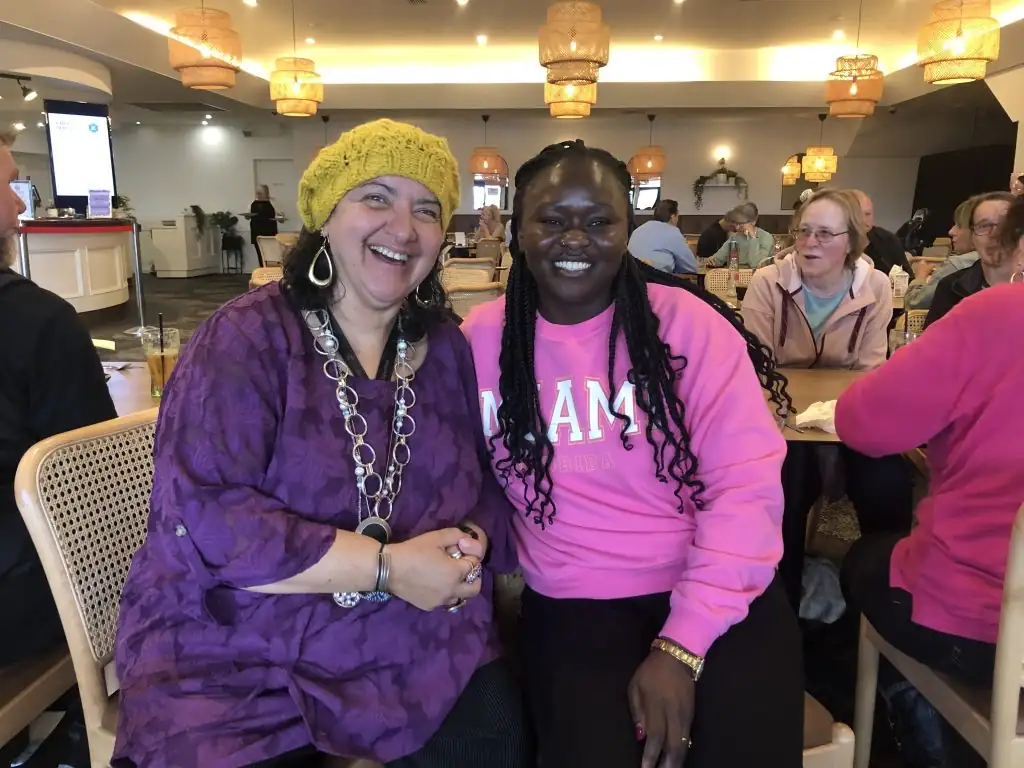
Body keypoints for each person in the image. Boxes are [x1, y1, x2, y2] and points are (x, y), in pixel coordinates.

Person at [112, 119, 530, 768]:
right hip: (243, 642)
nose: (403, 227)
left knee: (499, 743)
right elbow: (205, 514)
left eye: (426, 209)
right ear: (325, 218)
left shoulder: (447, 348)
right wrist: (386, 568)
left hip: (415, 637)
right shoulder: (247, 337)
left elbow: (483, 478)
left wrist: (469, 545)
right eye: (376, 198)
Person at [463, 140, 803, 768]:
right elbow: (464, 476)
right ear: (517, 229)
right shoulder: (479, 342)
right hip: (573, 605)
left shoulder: (687, 328)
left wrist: (681, 645)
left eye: (599, 221)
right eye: (551, 219)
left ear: (628, 232)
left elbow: (745, 491)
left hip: (717, 593)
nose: (575, 238)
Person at [837, 196, 1024, 766]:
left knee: (865, 562)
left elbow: (860, 423)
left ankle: (927, 738)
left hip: (985, 624)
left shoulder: (997, 313)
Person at [741, 189, 913, 610]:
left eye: (824, 233)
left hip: (847, 415)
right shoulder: (768, 282)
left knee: (888, 480)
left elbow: (871, 368)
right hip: (781, 413)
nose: (810, 242)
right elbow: (754, 364)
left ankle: (880, 597)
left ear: (851, 241)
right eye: (803, 231)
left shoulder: (874, 286)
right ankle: (780, 597)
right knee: (788, 480)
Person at [0, 128, 118, 669]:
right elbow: (97, 491)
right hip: (20, 605)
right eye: (5, 185)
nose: (18, 204)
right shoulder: (38, 322)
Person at [925, 191, 1015, 328]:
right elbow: (932, 347)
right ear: (972, 236)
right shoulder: (951, 288)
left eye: (1004, 225)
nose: (994, 235)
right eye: (984, 226)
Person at [904, 194, 988, 311]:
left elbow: (914, 304)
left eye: (958, 225)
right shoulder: (1008, 264)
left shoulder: (956, 264)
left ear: (976, 229)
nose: (951, 231)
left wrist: (920, 277)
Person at [627, 198, 696, 274]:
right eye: (677, 216)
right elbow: (690, 267)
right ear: (673, 217)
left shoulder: (638, 230)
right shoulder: (673, 232)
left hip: (631, 278)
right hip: (656, 279)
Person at [854, 190, 913, 277]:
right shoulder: (834, 243)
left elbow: (907, 277)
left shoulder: (888, 241)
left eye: (868, 214)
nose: (863, 220)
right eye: (857, 214)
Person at [706, 202, 775, 269]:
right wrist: (712, 261)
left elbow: (755, 264)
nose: (737, 228)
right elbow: (718, 259)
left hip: (757, 278)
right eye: (735, 223)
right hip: (735, 276)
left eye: (741, 224)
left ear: (753, 221)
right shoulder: (735, 237)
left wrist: (753, 237)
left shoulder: (766, 238)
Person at [246, 184, 281, 267]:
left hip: (270, 232)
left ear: (266, 193)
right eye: (257, 193)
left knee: (273, 254)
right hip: (256, 232)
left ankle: (272, 271)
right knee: (260, 253)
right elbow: (247, 216)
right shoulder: (252, 203)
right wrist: (248, 216)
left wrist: (280, 218)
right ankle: (263, 269)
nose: (258, 195)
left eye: (260, 193)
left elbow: (280, 216)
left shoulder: (274, 203)